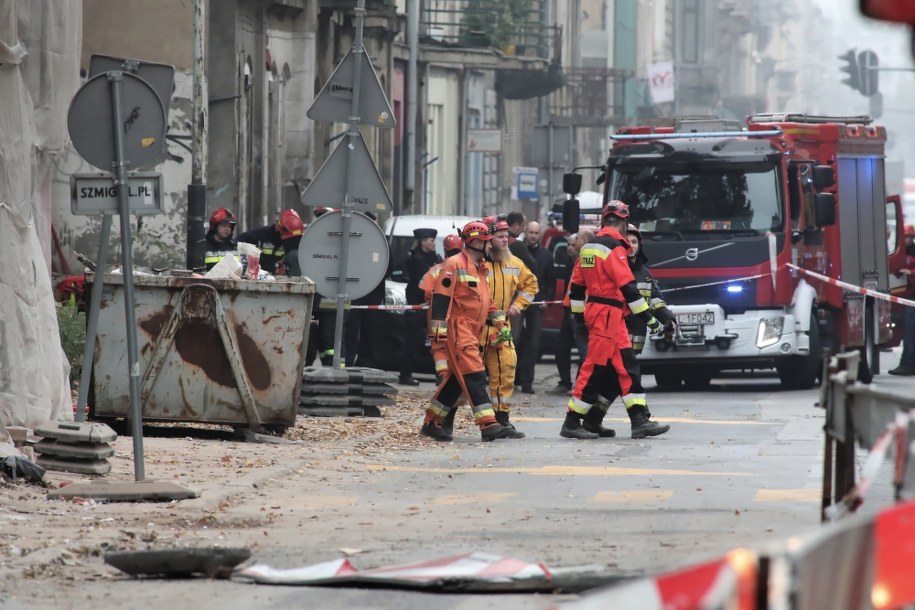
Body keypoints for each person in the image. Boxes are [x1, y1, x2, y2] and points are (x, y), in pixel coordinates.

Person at [560, 201, 671, 440]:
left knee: (627, 367)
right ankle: (571, 421)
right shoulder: (614, 248)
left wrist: (580, 321)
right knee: (594, 369)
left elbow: (576, 289)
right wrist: (651, 321)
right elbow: (629, 288)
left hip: (604, 315)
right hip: (608, 315)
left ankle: (639, 420)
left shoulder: (588, 248)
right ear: (623, 222)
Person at [421, 220, 514, 442]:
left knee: (454, 382)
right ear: (476, 243)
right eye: (487, 242)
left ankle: (431, 422)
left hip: (472, 330)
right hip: (458, 329)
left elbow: (488, 303)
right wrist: (438, 333)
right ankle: (488, 423)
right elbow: (440, 298)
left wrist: (502, 325)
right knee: (475, 373)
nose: (491, 245)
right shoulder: (454, 265)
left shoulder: (481, 268)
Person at [471, 215, 539, 438]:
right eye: (500, 236)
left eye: (506, 236)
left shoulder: (514, 263)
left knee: (506, 371)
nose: (505, 240)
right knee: (468, 376)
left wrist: (518, 305)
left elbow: (531, 285)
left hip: (501, 328)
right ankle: (445, 418)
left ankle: (501, 419)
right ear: (488, 239)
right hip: (476, 328)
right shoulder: (475, 264)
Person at [548, 229, 594, 395]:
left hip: (579, 311)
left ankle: (582, 386)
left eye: (577, 241)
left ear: (585, 242)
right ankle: (567, 383)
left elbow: (584, 288)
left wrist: (578, 311)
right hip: (572, 310)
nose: (572, 246)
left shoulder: (588, 260)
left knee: (584, 350)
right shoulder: (576, 260)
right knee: (562, 347)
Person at [515, 220, 555, 394]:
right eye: (530, 232)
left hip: (537, 305)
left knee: (533, 343)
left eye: (536, 233)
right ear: (525, 232)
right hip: (517, 304)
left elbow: (551, 282)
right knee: (514, 341)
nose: (533, 236)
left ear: (540, 234)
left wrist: (547, 300)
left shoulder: (546, 255)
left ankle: (527, 382)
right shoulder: (516, 252)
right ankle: (513, 378)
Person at [399, 227, 443, 385]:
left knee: (439, 340)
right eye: (431, 241)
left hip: (433, 306)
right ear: (423, 242)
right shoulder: (415, 259)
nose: (434, 244)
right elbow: (425, 280)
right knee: (412, 341)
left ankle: (441, 375)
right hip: (417, 306)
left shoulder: (436, 258)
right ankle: (405, 375)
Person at [419, 234, 464, 382]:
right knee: (459, 345)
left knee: (439, 346)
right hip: (459, 314)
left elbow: (426, 292)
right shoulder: (467, 269)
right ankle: (455, 376)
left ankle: (442, 374)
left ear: (445, 250)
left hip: (437, 314)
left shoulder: (436, 269)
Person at [236, 209, 305, 274]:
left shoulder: (295, 242)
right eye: (290, 238)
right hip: (259, 276)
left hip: (283, 279)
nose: (292, 241)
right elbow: (238, 242)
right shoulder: (262, 234)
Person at [889, 224, 915, 375]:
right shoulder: (901, 253)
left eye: (907, 237)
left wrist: (910, 272)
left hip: (912, 298)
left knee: (909, 332)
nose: (904, 240)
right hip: (908, 297)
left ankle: (907, 364)